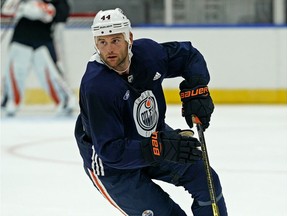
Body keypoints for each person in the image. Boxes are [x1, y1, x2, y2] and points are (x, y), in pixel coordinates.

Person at [75, 8, 228, 216]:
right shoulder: (98, 86)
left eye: (116, 40)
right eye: (102, 42)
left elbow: (188, 56)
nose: (109, 49)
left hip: (153, 138)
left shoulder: (148, 55)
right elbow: (111, 151)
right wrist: (160, 148)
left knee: (206, 180)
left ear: (129, 38)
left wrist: (196, 89)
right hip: (114, 168)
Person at [1, 0, 75, 116]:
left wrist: (24, 9)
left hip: (43, 40)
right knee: (15, 73)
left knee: (50, 74)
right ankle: (10, 102)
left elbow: (48, 15)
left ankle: (65, 101)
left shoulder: (58, 3)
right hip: (21, 38)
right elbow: (7, 9)